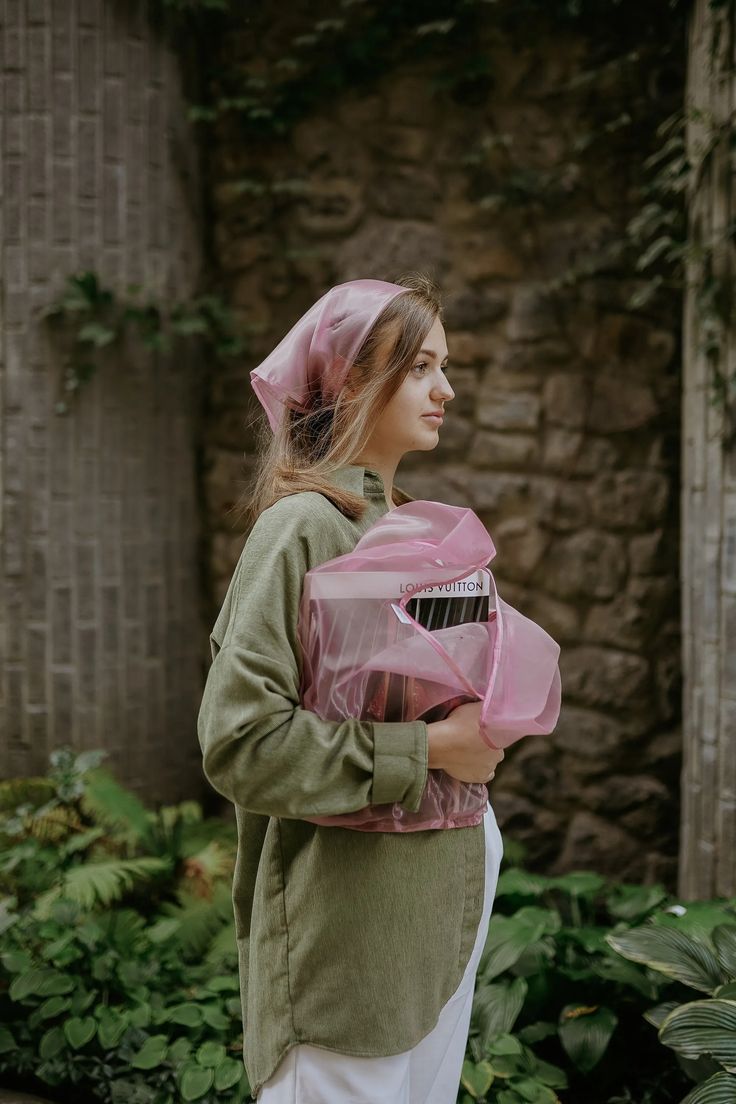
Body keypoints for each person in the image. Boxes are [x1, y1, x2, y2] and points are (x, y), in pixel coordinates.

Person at [197, 273, 506, 1103]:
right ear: (353, 381)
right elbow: (242, 743)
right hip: (349, 957)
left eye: (445, 366)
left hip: (429, 938)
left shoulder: (410, 531)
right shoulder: (302, 527)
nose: (447, 388)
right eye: (421, 367)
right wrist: (434, 747)